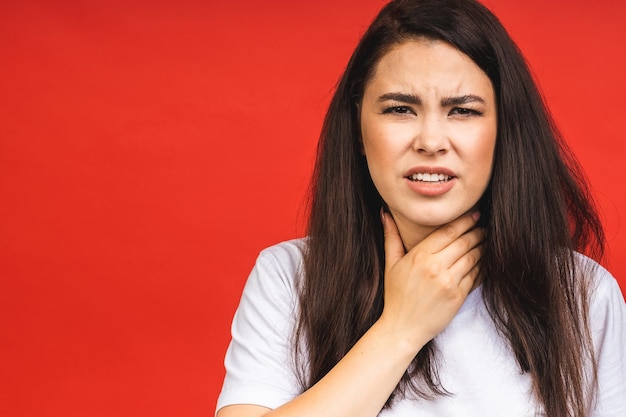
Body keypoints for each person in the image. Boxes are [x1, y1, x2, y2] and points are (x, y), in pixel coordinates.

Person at [215, 0, 626, 416]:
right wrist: (401, 329)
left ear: (505, 130)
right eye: (399, 109)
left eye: (463, 110)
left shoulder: (583, 294)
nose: (431, 141)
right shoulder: (289, 278)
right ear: (359, 129)